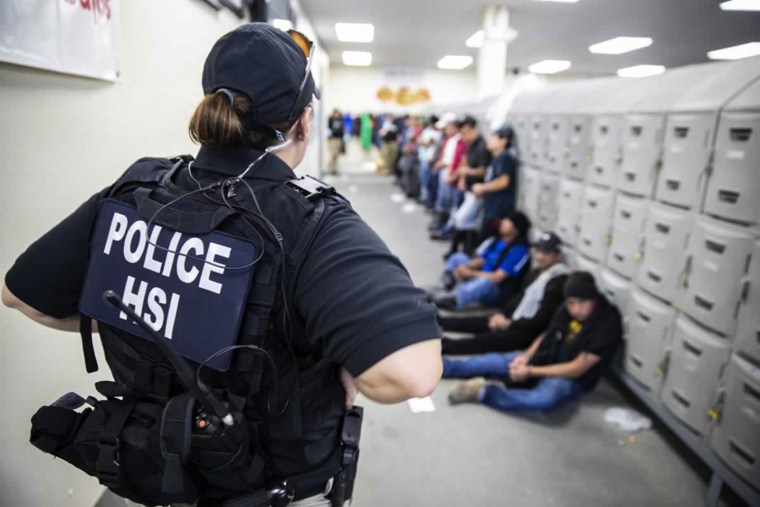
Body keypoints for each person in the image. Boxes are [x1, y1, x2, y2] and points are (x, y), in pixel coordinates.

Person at [2, 23, 442, 507]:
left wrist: (147, 317)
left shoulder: (142, 185)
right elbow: (410, 374)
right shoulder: (311, 220)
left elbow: (22, 297)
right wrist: (346, 365)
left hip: (143, 466)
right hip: (263, 489)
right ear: (305, 122)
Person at [442, 271, 623, 413]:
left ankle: (482, 393)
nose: (576, 309)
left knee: (544, 399)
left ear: (594, 298)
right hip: (546, 358)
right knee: (490, 361)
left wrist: (530, 371)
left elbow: (577, 368)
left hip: (568, 377)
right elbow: (547, 335)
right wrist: (527, 357)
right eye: (571, 303)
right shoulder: (566, 310)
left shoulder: (607, 323)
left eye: (583, 302)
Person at [440, 232, 569, 355]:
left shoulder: (558, 281)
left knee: (485, 340)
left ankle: (444, 346)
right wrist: (501, 314)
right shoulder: (537, 273)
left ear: (557, 256)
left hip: (526, 332)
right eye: (538, 251)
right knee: (480, 321)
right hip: (514, 319)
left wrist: (509, 324)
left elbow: (541, 320)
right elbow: (519, 298)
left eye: (546, 253)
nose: (540, 256)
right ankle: (439, 322)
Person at [437, 211, 531, 310]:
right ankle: (445, 285)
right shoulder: (496, 240)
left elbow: (497, 278)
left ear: (516, 230)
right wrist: (464, 268)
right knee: (458, 257)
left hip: (496, 288)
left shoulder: (519, 251)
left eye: (507, 221)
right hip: (481, 275)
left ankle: (456, 300)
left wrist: (470, 273)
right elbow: (482, 259)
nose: (502, 222)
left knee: (484, 283)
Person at [443, 115, 492, 254]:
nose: (462, 136)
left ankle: (455, 250)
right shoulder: (470, 145)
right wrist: (462, 178)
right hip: (468, 188)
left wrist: (467, 171)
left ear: (472, 129)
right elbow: (465, 161)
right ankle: (464, 250)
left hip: (477, 191)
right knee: (468, 222)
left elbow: (483, 170)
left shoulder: (482, 146)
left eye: (464, 132)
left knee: (461, 219)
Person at [472, 125, 518, 241]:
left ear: (503, 141)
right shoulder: (497, 157)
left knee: (487, 240)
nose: (489, 140)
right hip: (492, 207)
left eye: (493, 137)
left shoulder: (505, 157)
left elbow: (503, 181)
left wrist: (482, 188)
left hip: (498, 210)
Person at [326, 108, 344, 175]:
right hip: (332, 139)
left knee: (337, 155)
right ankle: (330, 169)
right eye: (336, 113)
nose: (337, 115)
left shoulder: (340, 119)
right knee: (333, 155)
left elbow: (342, 129)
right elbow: (329, 128)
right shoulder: (331, 119)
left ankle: (335, 169)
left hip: (338, 139)